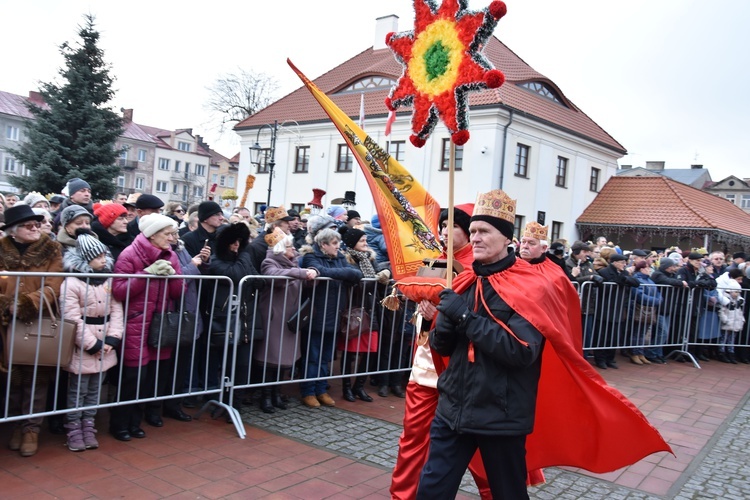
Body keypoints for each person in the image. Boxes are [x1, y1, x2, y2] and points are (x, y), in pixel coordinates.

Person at [417, 190, 546, 499]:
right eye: (472, 231)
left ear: (506, 239)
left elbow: (521, 351)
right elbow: (443, 348)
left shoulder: (530, 285)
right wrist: (443, 323)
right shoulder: (464, 281)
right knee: (431, 492)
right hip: (453, 410)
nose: (475, 238)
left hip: (500, 415)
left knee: (508, 494)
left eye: (483, 231)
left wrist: (463, 316)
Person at [392, 203, 501, 500]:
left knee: (482, 447)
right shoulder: (433, 261)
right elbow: (423, 311)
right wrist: (426, 316)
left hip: (464, 369)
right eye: (441, 226)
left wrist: (440, 312)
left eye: (450, 225)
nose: (442, 231)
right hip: (428, 364)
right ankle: (403, 495)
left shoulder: (480, 266)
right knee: (414, 437)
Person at [110, 214, 185, 441]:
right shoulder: (130, 254)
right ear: (153, 234)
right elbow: (119, 290)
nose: (172, 239)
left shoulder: (171, 255)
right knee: (133, 377)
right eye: (167, 234)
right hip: (136, 322)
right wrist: (146, 274)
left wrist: (173, 277)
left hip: (160, 324)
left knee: (152, 377)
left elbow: (179, 292)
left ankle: (136, 422)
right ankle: (120, 424)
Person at [0, 205, 64, 456]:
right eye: (29, 225)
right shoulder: (2, 249)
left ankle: (31, 429)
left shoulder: (51, 248)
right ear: (14, 231)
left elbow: (54, 284)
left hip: (38, 320)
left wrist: (28, 303)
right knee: (11, 378)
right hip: (5, 322)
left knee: (36, 377)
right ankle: (15, 425)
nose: (36, 228)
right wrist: (6, 305)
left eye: (37, 224)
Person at [61, 232, 123, 451]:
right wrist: (92, 344)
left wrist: (112, 338)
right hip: (84, 345)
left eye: (104, 255)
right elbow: (71, 317)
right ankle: (74, 427)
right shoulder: (72, 282)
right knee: (78, 389)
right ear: (86, 259)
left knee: (96, 388)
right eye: (98, 257)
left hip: (105, 341)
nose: (104, 260)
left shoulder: (108, 278)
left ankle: (89, 424)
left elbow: (116, 309)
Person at [298, 228, 362, 408]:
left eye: (338, 243)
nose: (338, 246)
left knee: (326, 357)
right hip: (317, 315)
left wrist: (330, 273)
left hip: (335, 316)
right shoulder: (311, 257)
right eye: (334, 243)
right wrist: (339, 273)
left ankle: (321, 389)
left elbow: (356, 274)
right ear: (323, 245)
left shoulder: (340, 258)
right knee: (313, 356)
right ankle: (308, 391)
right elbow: (318, 270)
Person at [255, 228, 317, 413]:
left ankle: (276, 393)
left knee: (284, 358)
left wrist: (312, 272)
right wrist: (301, 272)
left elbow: (310, 276)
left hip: (290, 318)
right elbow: (274, 275)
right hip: (274, 318)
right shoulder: (269, 262)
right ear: (281, 249)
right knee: (270, 359)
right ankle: (265, 396)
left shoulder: (295, 263)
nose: (295, 250)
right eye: (290, 247)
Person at [337, 226, 390, 403]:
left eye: (366, 240)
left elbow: (376, 279)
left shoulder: (370, 258)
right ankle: (346, 388)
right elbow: (355, 281)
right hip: (354, 310)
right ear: (352, 243)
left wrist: (384, 274)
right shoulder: (347, 259)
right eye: (362, 241)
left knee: (369, 351)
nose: (366, 243)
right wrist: (372, 279)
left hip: (371, 309)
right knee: (350, 352)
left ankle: (358, 386)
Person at [593, 253, 640, 369]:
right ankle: (600, 359)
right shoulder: (604, 272)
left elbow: (636, 283)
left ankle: (610, 358)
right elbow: (604, 289)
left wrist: (625, 279)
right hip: (605, 307)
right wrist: (619, 281)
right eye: (622, 262)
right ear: (614, 262)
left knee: (614, 335)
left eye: (625, 262)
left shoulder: (624, 273)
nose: (624, 264)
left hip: (618, 308)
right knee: (602, 335)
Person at [646, 257, 688, 363]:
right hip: (660, 308)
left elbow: (675, 280)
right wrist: (680, 283)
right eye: (671, 266)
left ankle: (658, 353)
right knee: (662, 332)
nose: (673, 268)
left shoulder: (672, 275)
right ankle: (651, 353)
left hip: (668, 308)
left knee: (663, 333)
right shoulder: (658, 274)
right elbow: (668, 281)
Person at [629, 261, 663, 365]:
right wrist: (656, 301)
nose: (650, 270)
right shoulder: (637, 279)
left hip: (649, 309)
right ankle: (634, 353)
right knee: (637, 332)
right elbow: (639, 295)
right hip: (640, 309)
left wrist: (659, 299)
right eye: (648, 268)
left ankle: (640, 353)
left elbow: (657, 292)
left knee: (643, 333)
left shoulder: (649, 280)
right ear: (642, 269)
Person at [716, 268, 745, 363]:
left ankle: (731, 352)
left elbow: (740, 312)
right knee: (723, 339)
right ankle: (721, 352)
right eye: (739, 279)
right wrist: (725, 320)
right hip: (727, 323)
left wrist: (742, 320)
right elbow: (722, 310)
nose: (737, 294)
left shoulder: (738, 300)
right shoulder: (723, 286)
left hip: (735, 323)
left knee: (732, 339)